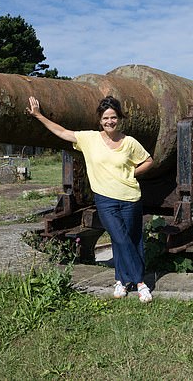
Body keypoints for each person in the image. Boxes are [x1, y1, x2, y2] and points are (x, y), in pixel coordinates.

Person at [26, 95, 154, 303]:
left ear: (119, 119)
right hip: (106, 200)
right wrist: (39, 115)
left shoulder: (129, 142)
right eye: (105, 118)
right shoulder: (90, 139)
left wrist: (132, 173)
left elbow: (148, 161)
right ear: (100, 121)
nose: (109, 121)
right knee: (120, 237)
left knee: (130, 239)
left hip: (130, 197)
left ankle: (121, 280)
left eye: (113, 117)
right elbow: (62, 132)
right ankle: (140, 283)